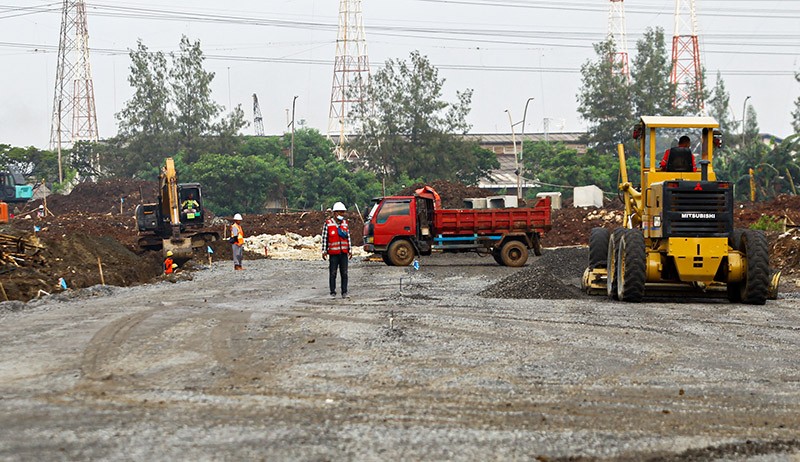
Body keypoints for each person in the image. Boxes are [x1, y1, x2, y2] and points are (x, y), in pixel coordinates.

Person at [322, 201, 352, 299]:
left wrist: (350, 250)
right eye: (340, 212)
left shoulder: (345, 224)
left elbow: (348, 237)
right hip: (333, 253)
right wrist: (324, 251)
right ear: (335, 213)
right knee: (333, 273)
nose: (342, 214)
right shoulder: (328, 224)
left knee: (344, 273)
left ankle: (344, 292)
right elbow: (325, 238)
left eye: (343, 212)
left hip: (343, 253)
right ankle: (332, 292)